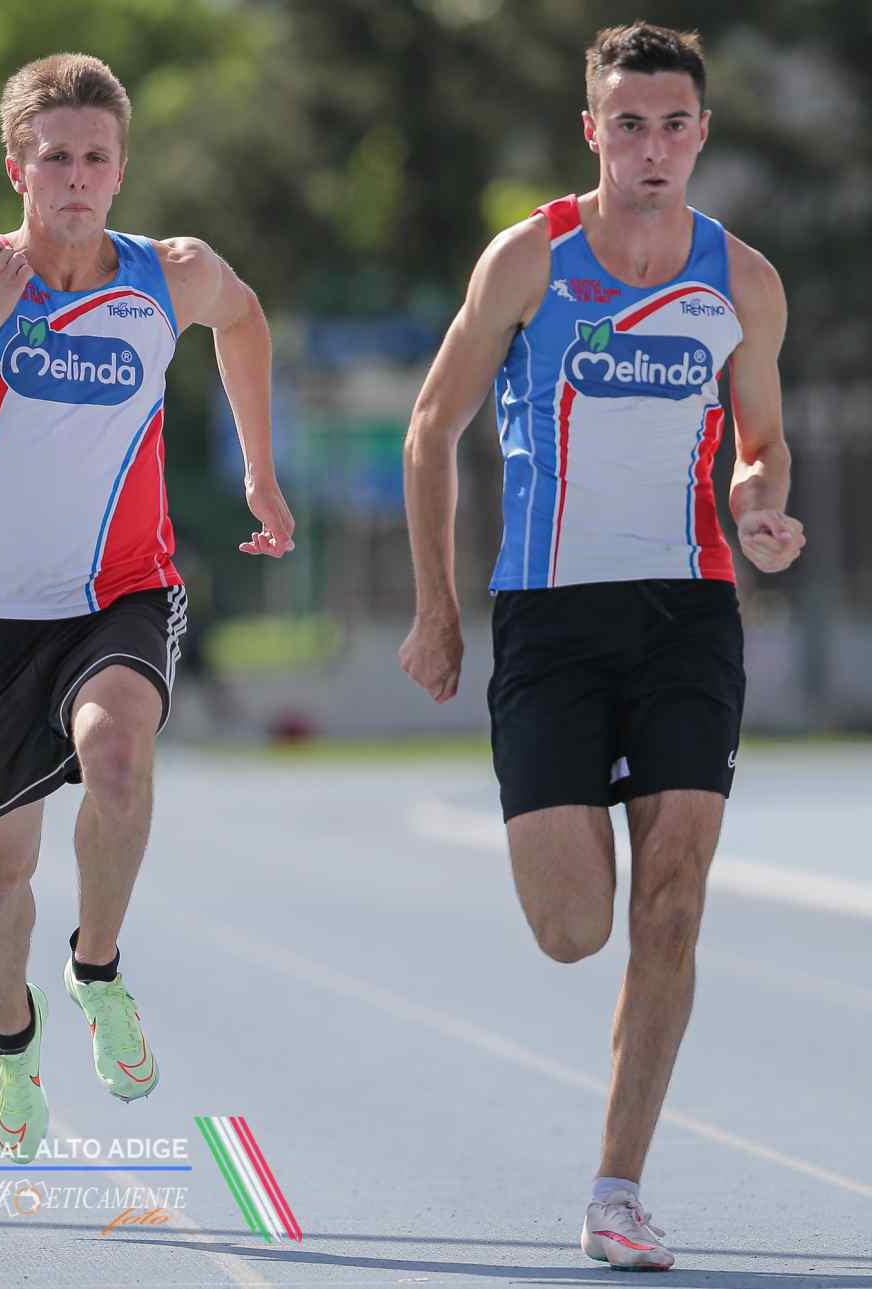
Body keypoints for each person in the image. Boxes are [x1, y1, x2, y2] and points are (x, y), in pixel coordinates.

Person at [398, 23, 804, 1272]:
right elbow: (431, 426)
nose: (651, 148)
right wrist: (436, 608)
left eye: (673, 125)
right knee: (575, 924)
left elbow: (762, 442)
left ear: (701, 135)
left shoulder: (742, 280)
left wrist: (758, 504)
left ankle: (616, 1188)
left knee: (673, 898)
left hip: (688, 609)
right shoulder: (531, 257)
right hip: (550, 615)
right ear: (592, 132)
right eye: (628, 124)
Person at [0, 53, 295, 1164]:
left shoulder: (169, 275)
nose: (78, 178)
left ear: (122, 168)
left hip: (120, 593)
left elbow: (244, 320)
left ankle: (97, 968)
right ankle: (13, 1042)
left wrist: (258, 468)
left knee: (119, 755)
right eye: (55, 158)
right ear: (18, 168)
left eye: (97, 157)